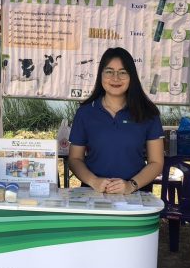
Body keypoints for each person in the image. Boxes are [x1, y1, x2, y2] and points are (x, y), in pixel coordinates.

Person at [68, 47, 164, 194]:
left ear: (132, 76)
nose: (115, 78)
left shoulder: (147, 113)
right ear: (100, 75)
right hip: (94, 194)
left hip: (135, 194)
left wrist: (131, 185)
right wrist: (94, 181)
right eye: (109, 71)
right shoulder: (85, 113)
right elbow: (75, 159)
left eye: (123, 72)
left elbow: (156, 162)